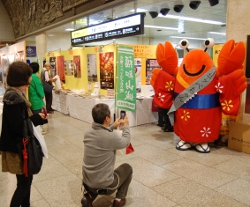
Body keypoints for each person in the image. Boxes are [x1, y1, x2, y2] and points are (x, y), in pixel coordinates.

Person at [0, 61, 47, 207]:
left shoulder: (16, 93)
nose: (31, 78)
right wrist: (37, 118)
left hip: (21, 146)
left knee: (26, 183)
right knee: (23, 186)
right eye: (28, 75)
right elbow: (19, 126)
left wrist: (36, 119)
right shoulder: (14, 97)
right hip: (19, 148)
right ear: (22, 77)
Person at [82, 103, 133, 207]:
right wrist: (126, 127)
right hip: (106, 185)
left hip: (87, 182)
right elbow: (126, 142)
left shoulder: (87, 132)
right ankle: (119, 199)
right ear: (107, 118)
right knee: (128, 168)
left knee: (95, 180)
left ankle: (89, 197)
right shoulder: (111, 137)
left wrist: (112, 126)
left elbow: (102, 133)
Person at [28, 62, 48, 134]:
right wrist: (42, 95)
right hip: (36, 100)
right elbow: (40, 90)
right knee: (39, 116)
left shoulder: (29, 76)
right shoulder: (34, 77)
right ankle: (40, 131)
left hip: (32, 99)